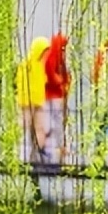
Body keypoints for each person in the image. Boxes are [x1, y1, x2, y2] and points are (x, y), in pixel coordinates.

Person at [15, 37, 50, 163]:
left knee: (39, 128)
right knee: (23, 126)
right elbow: (21, 83)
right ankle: (18, 154)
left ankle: (37, 154)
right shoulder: (26, 65)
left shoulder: (42, 66)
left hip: (38, 101)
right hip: (27, 102)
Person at [42, 33, 71, 161]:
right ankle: (52, 149)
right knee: (53, 123)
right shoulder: (52, 56)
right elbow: (50, 73)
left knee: (59, 122)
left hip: (59, 96)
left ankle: (59, 147)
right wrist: (60, 83)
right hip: (53, 96)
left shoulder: (60, 57)